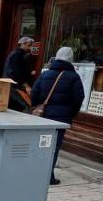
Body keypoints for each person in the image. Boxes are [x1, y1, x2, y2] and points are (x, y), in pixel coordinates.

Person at [31, 47, 84, 185]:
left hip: (43, 116)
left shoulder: (45, 74)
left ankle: (35, 171)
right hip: (61, 118)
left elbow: (34, 93)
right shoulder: (74, 77)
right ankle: (48, 176)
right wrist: (71, 113)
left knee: (41, 144)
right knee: (54, 146)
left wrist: (37, 106)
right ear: (71, 59)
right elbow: (79, 98)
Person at [4, 36, 35, 111]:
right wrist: (26, 85)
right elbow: (17, 72)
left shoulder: (18, 54)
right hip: (15, 85)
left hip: (13, 84)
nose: (30, 48)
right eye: (29, 45)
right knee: (23, 106)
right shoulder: (17, 55)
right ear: (22, 44)